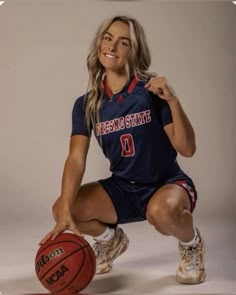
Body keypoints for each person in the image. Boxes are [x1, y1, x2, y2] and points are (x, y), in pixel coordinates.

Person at [40, 15, 206, 284]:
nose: (112, 46)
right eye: (108, 38)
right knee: (63, 208)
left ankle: (192, 243)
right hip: (124, 188)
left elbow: (187, 149)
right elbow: (75, 159)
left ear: (134, 51)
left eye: (123, 42)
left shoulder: (151, 92)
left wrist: (173, 100)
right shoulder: (87, 104)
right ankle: (111, 240)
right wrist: (66, 214)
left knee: (161, 213)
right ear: (99, 45)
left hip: (166, 184)